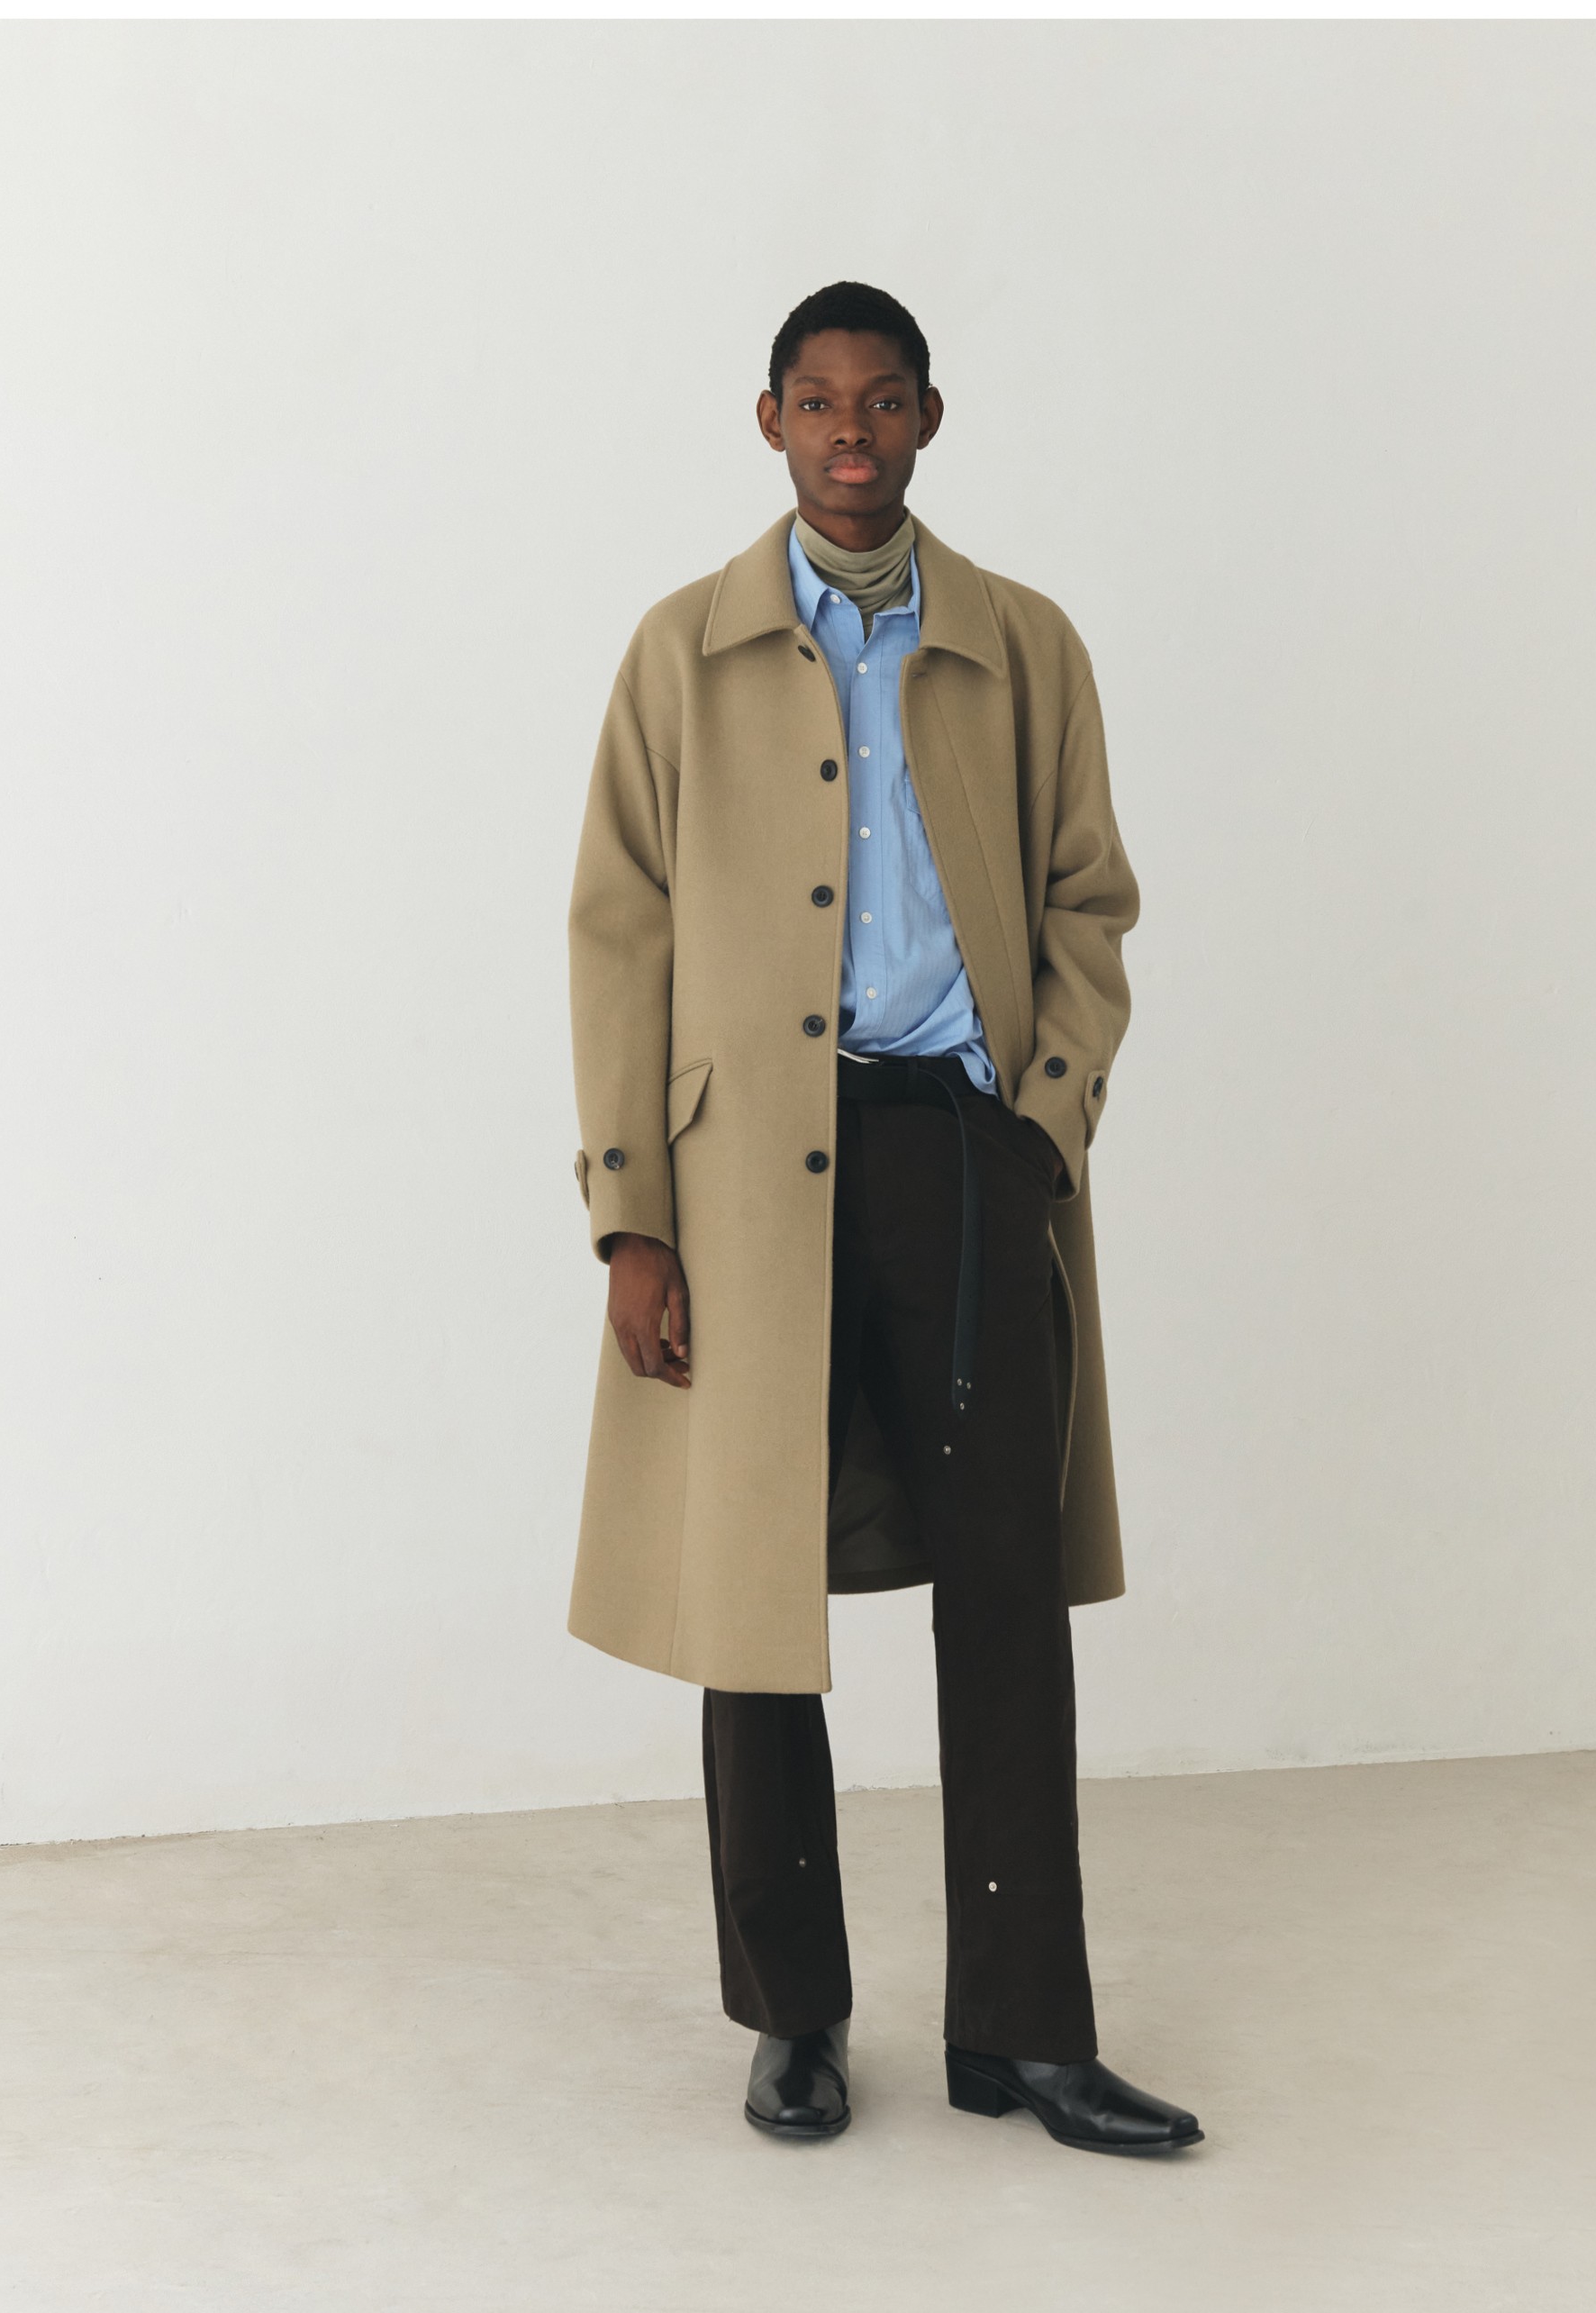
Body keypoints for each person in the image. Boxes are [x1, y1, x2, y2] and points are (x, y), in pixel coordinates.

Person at [567, 280, 1202, 2159]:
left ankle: (1025, 2032)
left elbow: (1089, 901)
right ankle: (795, 2014)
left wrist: (1042, 1122)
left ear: (929, 417)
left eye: (885, 399)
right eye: (819, 400)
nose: (852, 431)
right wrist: (633, 1217)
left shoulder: (1023, 643)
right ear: (770, 419)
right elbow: (617, 931)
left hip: (960, 1153)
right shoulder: (680, 653)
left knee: (1005, 1586)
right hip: (742, 1180)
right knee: (753, 1595)